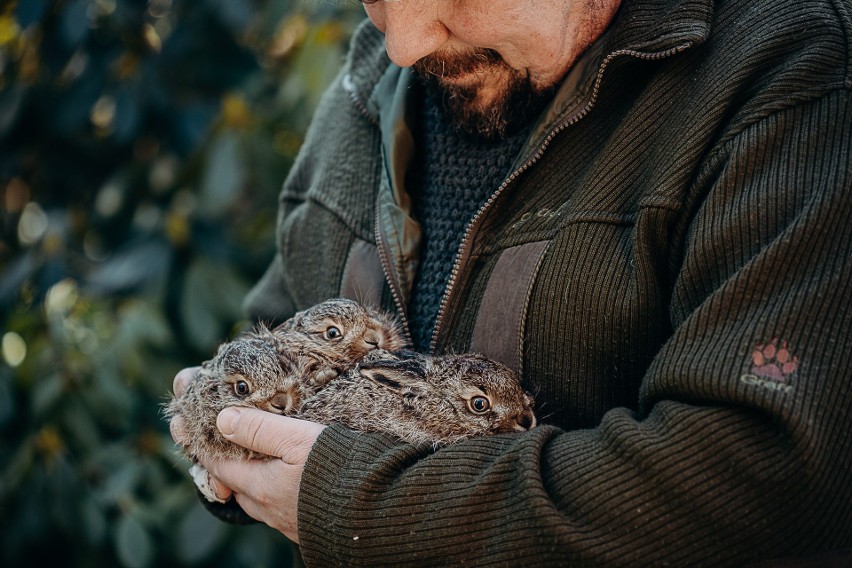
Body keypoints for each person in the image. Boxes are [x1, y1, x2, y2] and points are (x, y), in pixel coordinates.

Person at [170, 0, 852, 565]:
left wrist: (362, 503)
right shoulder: (371, 80)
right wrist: (226, 444)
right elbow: (278, 332)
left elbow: (763, 480)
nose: (405, 41)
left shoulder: (789, 75)